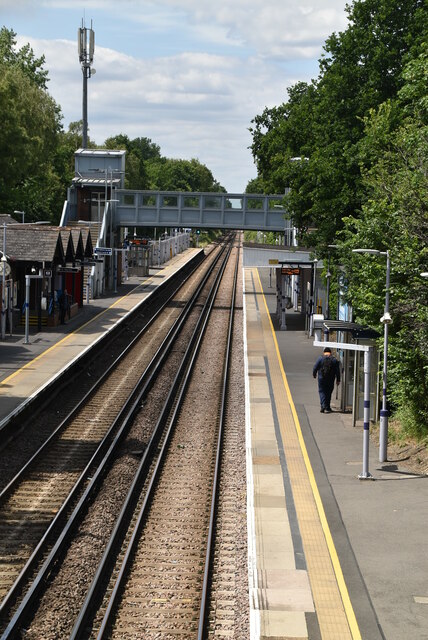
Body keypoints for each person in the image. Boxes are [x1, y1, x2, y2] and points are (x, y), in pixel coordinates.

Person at [313, 347, 341, 413]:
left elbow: (315, 367)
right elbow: (337, 371)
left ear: (324, 352)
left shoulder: (320, 358)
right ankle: (327, 407)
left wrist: (314, 374)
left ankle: (323, 406)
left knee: (322, 391)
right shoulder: (334, 360)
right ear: (330, 352)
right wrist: (338, 380)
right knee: (328, 393)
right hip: (331, 379)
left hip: (321, 378)